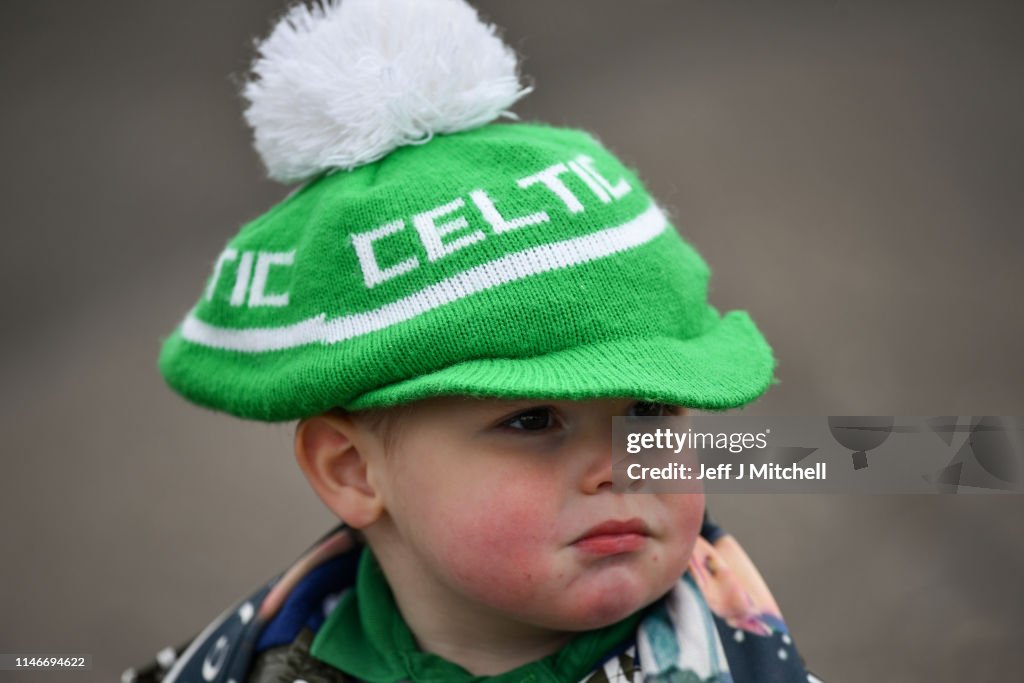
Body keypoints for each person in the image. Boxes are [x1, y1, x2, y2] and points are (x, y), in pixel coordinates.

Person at [129, 0, 823, 680]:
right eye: (533, 419)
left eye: (650, 410)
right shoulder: (248, 661)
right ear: (352, 469)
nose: (619, 463)